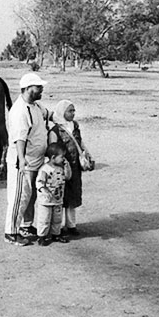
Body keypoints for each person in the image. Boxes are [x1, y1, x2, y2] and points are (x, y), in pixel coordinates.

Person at [3, 72, 52, 246]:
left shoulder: (36, 106)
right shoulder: (20, 111)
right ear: (28, 88)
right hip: (23, 162)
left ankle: (26, 225)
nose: (41, 89)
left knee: (31, 196)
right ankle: (11, 232)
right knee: (19, 196)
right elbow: (20, 139)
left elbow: (49, 114)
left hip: (36, 160)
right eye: (38, 87)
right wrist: (22, 160)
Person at [48, 100, 93, 237]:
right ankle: (58, 227)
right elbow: (52, 149)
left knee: (72, 196)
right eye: (70, 111)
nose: (73, 113)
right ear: (62, 112)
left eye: (74, 111)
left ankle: (71, 225)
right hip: (62, 169)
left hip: (75, 168)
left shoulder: (75, 126)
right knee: (60, 197)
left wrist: (86, 152)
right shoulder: (56, 130)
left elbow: (80, 142)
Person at [34, 143, 71, 246]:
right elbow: (39, 182)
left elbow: (68, 177)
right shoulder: (45, 169)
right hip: (46, 201)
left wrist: (67, 168)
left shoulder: (61, 168)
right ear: (53, 157)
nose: (63, 159)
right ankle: (41, 236)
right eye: (62, 157)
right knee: (44, 219)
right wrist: (44, 190)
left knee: (57, 219)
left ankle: (56, 234)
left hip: (58, 199)